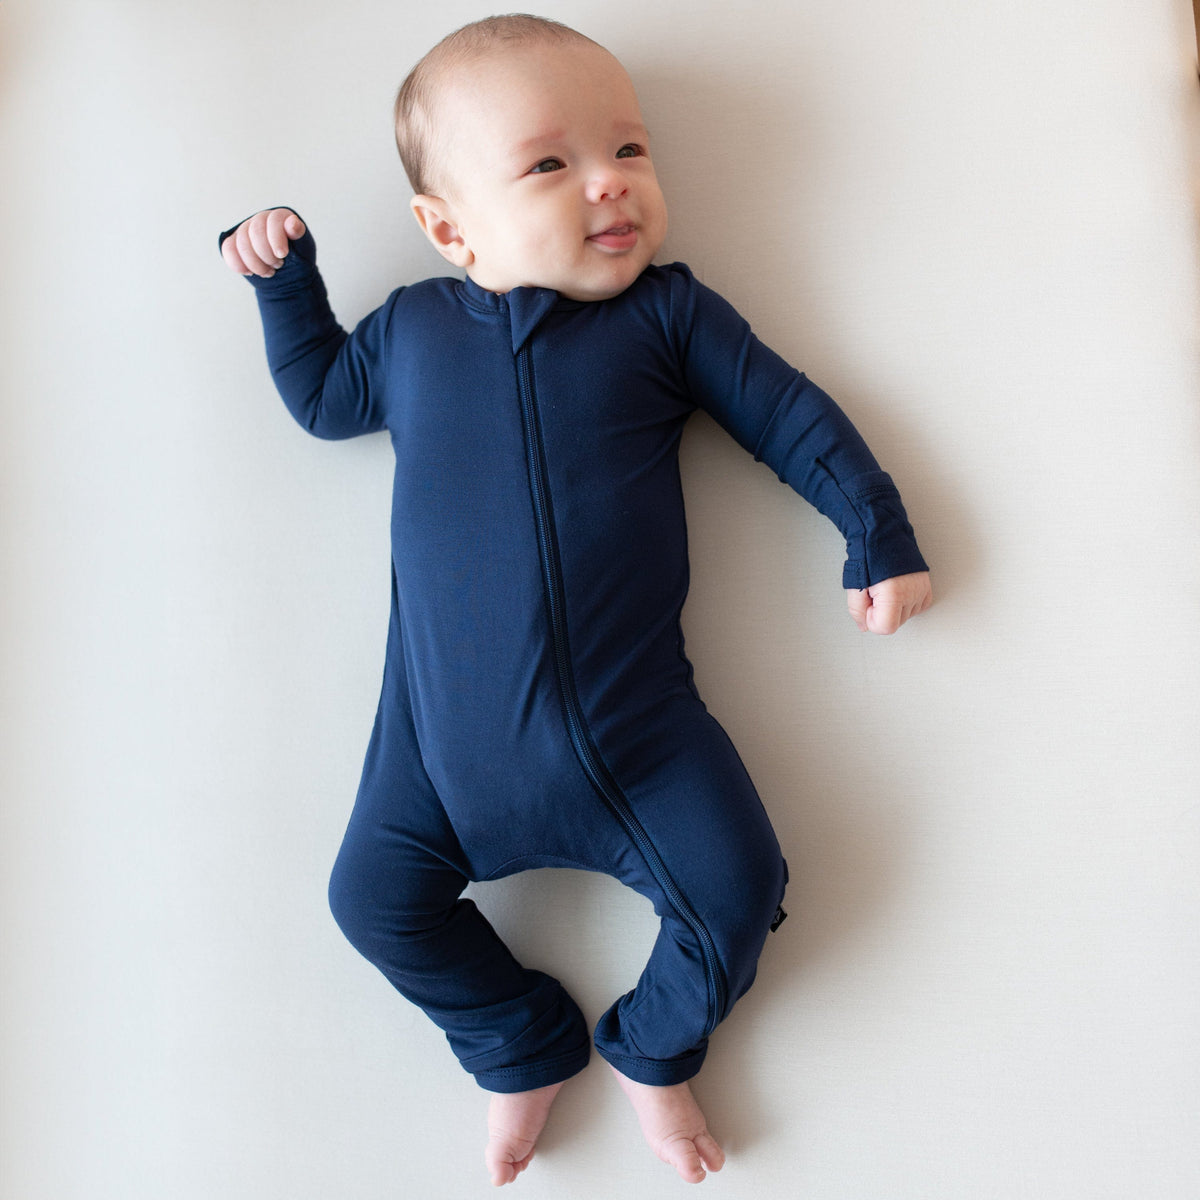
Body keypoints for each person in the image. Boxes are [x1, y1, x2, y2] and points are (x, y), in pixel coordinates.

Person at [220, 14, 931, 1186]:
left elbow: (792, 415)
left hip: (637, 745)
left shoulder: (667, 318)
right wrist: (283, 285)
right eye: (550, 164)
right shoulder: (406, 336)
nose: (610, 183)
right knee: (370, 902)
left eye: (631, 151)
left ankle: (656, 1050)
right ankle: (516, 1041)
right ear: (448, 229)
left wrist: (876, 530)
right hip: (436, 767)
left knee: (740, 888)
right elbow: (318, 397)